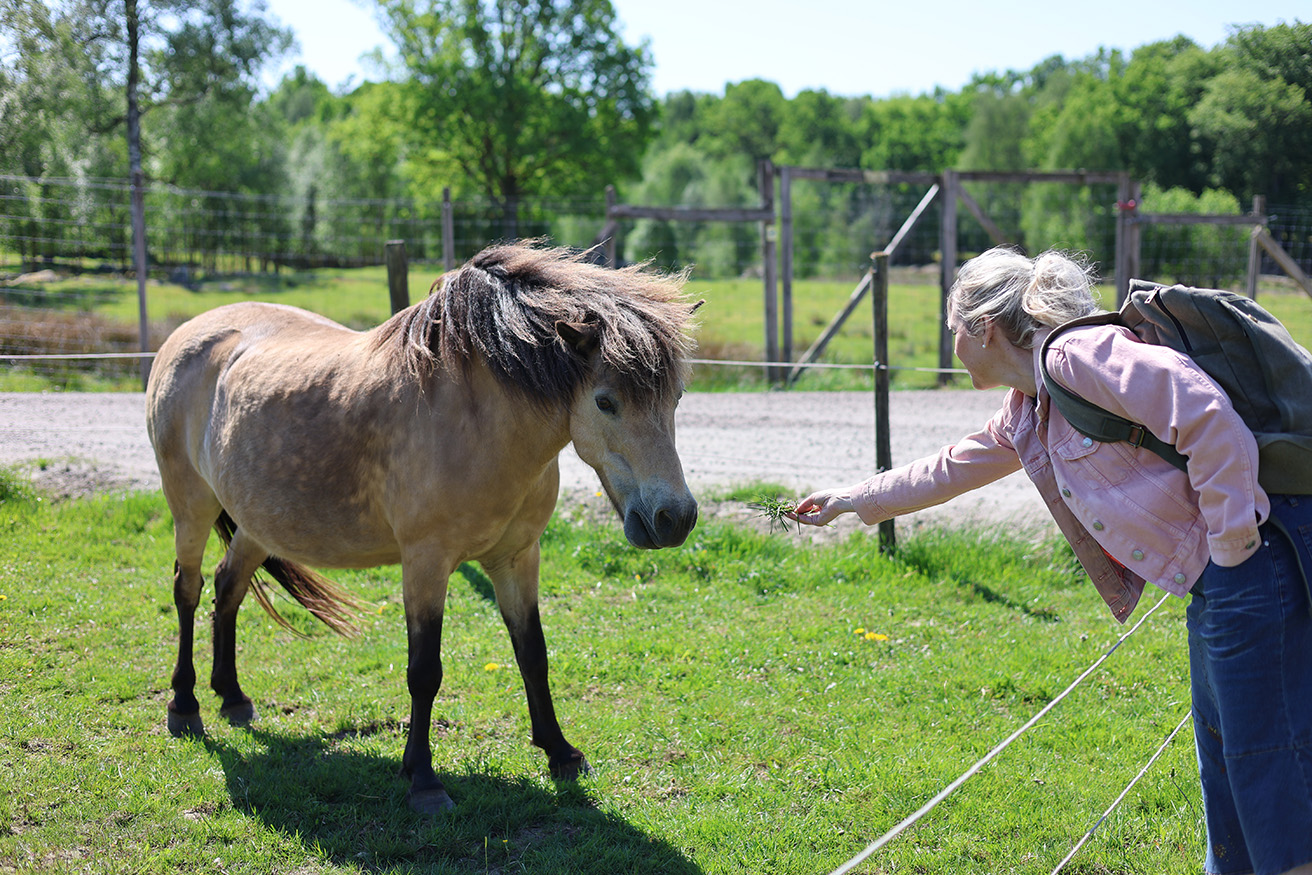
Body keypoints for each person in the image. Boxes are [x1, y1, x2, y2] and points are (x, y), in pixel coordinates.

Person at [787, 245, 1312, 875]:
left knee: (1263, 764)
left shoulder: (1076, 356)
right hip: (1225, 581)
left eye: (953, 329)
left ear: (982, 329)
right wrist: (849, 501)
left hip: (1250, 564)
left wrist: (1232, 549)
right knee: (1226, 758)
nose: (952, 342)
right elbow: (949, 468)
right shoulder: (1028, 409)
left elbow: (1205, 415)